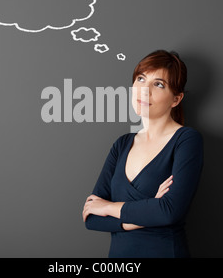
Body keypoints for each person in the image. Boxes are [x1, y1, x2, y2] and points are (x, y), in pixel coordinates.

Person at [82, 49, 204, 258]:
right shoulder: (122, 144)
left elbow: (169, 211)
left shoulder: (186, 140)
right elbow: (92, 217)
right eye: (140, 79)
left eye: (158, 84)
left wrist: (110, 207)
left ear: (176, 99)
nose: (144, 90)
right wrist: (143, 213)